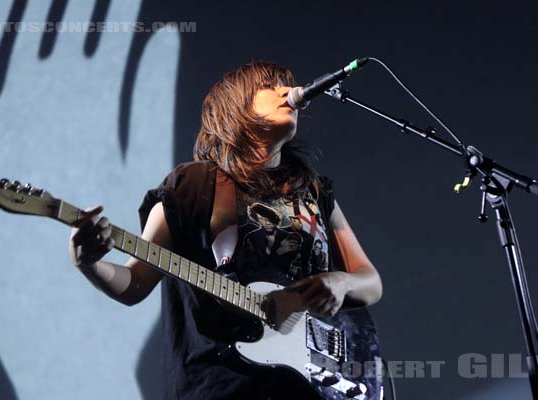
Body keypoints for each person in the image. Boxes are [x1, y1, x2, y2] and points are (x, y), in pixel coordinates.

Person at [69, 61, 383, 399]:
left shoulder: (313, 190)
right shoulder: (191, 186)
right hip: (224, 385)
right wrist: (87, 262)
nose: (285, 91)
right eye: (269, 85)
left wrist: (341, 281)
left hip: (311, 387)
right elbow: (134, 284)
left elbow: (371, 283)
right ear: (234, 105)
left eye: (285, 84)